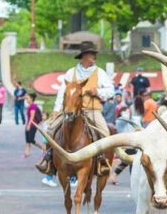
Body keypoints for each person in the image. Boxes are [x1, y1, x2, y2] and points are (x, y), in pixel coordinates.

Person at [36, 42, 114, 177]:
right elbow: (62, 92)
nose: (94, 57)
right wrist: (56, 109)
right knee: (50, 129)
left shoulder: (99, 73)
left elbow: (111, 91)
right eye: (91, 54)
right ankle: (48, 159)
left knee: (105, 132)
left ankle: (102, 160)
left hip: (92, 110)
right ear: (84, 56)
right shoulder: (71, 72)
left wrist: (97, 92)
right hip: (69, 110)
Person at [24, 92, 44, 158]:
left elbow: (32, 116)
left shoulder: (33, 106)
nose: (26, 100)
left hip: (32, 125)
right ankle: (27, 153)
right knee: (27, 140)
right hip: (28, 124)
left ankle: (43, 148)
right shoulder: (30, 106)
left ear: (31, 99)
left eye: (27, 98)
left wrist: (29, 125)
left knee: (31, 140)